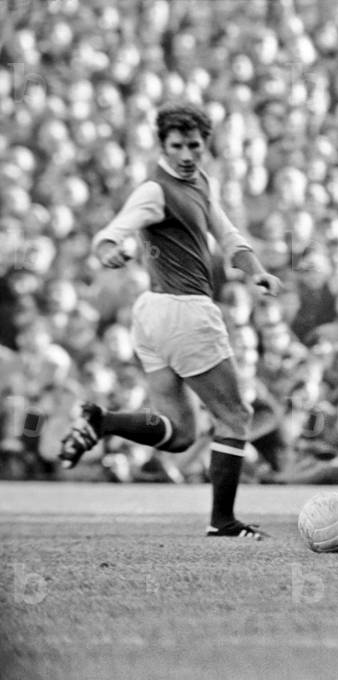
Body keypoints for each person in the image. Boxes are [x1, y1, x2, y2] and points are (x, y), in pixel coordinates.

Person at [58, 103, 282, 539]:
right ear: (162, 145)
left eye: (193, 146)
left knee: (180, 435)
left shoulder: (201, 182)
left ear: (205, 146)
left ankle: (101, 421)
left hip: (153, 314)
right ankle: (223, 521)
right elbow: (114, 231)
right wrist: (110, 251)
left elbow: (228, 235)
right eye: (176, 145)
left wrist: (256, 271)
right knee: (235, 415)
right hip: (185, 312)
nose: (185, 154)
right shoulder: (155, 190)